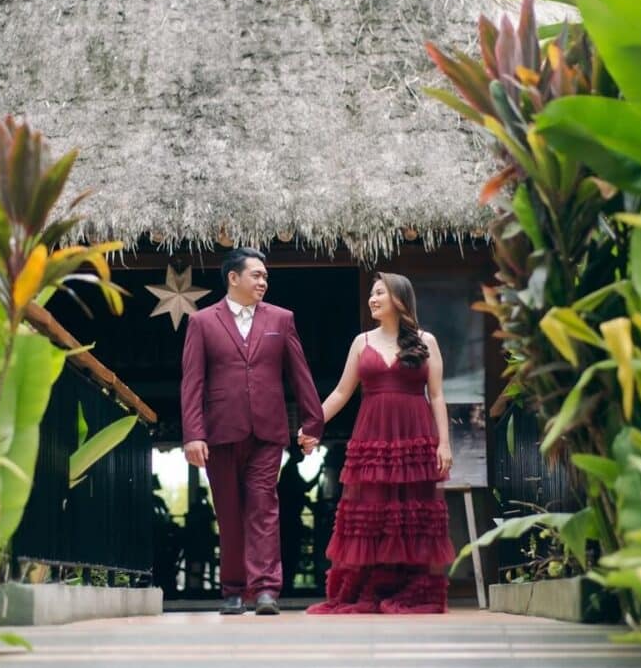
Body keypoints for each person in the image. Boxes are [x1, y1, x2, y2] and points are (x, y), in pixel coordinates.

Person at [180, 248, 324, 615]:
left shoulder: (282, 318)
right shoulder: (201, 321)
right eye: (256, 275)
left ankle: (265, 590)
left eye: (265, 276)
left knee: (263, 507)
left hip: (268, 430)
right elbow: (192, 382)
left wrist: (313, 422)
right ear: (233, 278)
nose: (263, 282)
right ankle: (233, 589)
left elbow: (300, 374)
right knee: (228, 512)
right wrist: (193, 434)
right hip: (220, 431)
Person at [304, 272, 454, 614]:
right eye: (372, 293)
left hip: (415, 436)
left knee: (412, 512)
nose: (372, 299)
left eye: (380, 293)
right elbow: (341, 392)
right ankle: (371, 587)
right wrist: (313, 425)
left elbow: (437, 395)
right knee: (372, 510)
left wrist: (444, 444)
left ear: (399, 299)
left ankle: (411, 588)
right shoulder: (361, 342)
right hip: (372, 437)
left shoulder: (426, 341)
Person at [278, 443, 320, 593]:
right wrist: (320, 472)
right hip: (289, 519)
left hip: (288, 519)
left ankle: (287, 583)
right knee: (290, 551)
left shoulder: (290, 469)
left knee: (289, 551)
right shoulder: (290, 470)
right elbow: (304, 488)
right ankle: (287, 583)